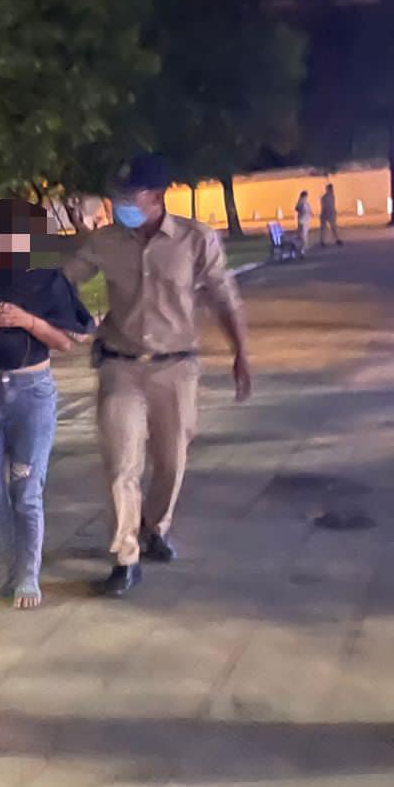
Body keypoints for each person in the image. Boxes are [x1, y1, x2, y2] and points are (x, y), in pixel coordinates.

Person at [65, 155, 252, 597]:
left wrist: (241, 353)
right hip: (120, 367)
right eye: (117, 196)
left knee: (171, 462)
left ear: (156, 196)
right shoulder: (105, 241)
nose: (120, 204)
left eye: (129, 196)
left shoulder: (195, 239)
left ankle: (154, 528)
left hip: (176, 368)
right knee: (121, 466)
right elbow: (64, 281)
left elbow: (224, 298)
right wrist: (64, 318)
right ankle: (125, 557)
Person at [0, 199, 94, 609]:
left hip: (32, 396)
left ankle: (27, 573)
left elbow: (67, 342)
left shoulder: (48, 282)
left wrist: (27, 321)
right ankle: (13, 560)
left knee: (25, 491)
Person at [319, 182, 344, 248]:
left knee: (333, 227)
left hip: (331, 213)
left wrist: (334, 212)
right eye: (330, 188)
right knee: (324, 228)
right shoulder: (325, 197)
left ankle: (337, 239)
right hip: (326, 214)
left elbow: (332, 205)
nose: (332, 190)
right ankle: (322, 241)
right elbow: (324, 206)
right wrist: (325, 214)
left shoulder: (332, 196)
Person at [294, 189, 313, 256]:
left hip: (305, 221)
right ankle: (302, 250)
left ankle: (302, 249)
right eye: (306, 196)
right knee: (303, 236)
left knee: (303, 236)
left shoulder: (305, 202)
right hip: (303, 221)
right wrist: (302, 211)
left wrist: (310, 213)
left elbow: (309, 210)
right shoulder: (301, 201)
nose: (306, 197)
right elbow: (297, 208)